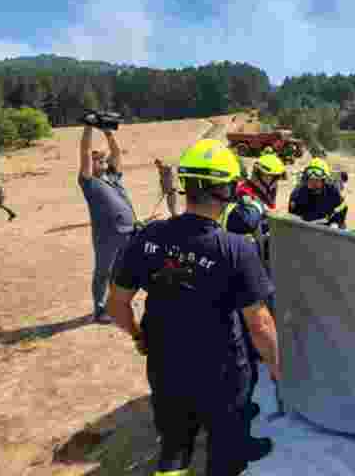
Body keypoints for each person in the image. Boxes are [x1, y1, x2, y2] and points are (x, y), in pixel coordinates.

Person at [107, 139, 280, 476]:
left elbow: (117, 303)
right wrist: (276, 365)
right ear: (225, 189)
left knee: (174, 445)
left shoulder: (146, 237)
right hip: (222, 369)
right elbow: (259, 324)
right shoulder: (235, 249)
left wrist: (138, 335)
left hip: (165, 361)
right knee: (226, 448)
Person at [78, 124, 136, 324]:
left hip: (128, 232)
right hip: (107, 235)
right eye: (95, 160)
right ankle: (100, 309)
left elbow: (117, 153)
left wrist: (108, 132)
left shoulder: (113, 177)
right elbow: (84, 152)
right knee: (104, 272)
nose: (100, 161)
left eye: (102, 158)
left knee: (121, 270)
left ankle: (116, 303)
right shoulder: (89, 182)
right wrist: (88, 128)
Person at [288, 158, 347, 228]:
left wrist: (335, 223)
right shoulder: (298, 193)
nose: (313, 181)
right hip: (305, 229)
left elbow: (342, 209)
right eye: (311, 179)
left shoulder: (332, 191)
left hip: (329, 228)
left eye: (316, 179)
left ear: (324, 179)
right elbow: (293, 216)